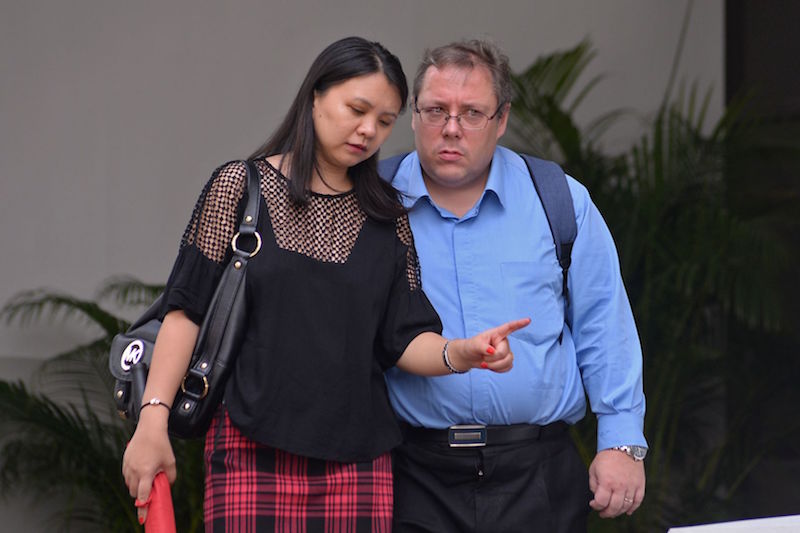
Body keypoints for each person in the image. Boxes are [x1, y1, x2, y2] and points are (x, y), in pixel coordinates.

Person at [121, 36, 530, 532]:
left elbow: (402, 339)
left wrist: (461, 353)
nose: (367, 131)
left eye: (384, 121)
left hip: (360, 466)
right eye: (356, 109)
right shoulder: (240, 187)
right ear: (315, 96)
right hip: (250, 449)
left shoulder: (387, 216)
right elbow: (187, 312)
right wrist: (152, 421)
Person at [383, 39, 647, 532]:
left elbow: (603, 325)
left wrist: (621, 443)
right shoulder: (371, 206)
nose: (452, 128)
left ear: (501, 120)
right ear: (413, 115)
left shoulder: (558, 199)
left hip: (538, 474)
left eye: (473, 113)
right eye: (436, 110)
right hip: (411, 475)